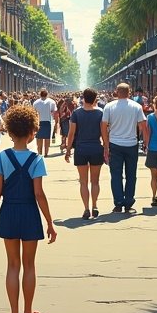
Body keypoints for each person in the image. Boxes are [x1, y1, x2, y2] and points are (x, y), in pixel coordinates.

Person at [0, 105, 56, 313]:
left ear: (10, 132)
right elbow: (39, 194)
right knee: (29, 264)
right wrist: (50, 222)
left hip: (8, 212)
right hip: (29, 212)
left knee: (12, 265)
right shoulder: (36, 160)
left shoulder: (2, 157)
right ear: (33, 132)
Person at [101, 82, 147, 213]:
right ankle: (129, 201)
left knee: (116, 175)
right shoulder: (136, 106)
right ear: (129, 92)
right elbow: (142, 125)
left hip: (115, 144)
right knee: (131, 174)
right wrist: (143, 140)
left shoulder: (109, 106)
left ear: (116, 92)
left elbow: (103, 125)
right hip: (131, 144)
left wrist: (106, 143)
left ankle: (118, 201)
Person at [64, 87, 105, 218]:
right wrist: (107, 148)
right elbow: (104, 133)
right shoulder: (100, 113)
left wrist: (68, 148)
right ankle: (95, 206)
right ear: (94, 99)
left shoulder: (76, 114)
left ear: (83, 98)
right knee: (95, 181)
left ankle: (86, 208)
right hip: (96, 148)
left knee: (83, 181)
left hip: (81, 149)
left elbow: (71, 133)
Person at [33, 88, 56, 157]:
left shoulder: (36, 102)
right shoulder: (51, 101)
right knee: (47, 138)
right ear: (47, 94)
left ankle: (39, 152)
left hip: (39, 121)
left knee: (39, 138)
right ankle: (46, 153)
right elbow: (53, 111)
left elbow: (34, 112)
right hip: (48, 121)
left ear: (40, 94)